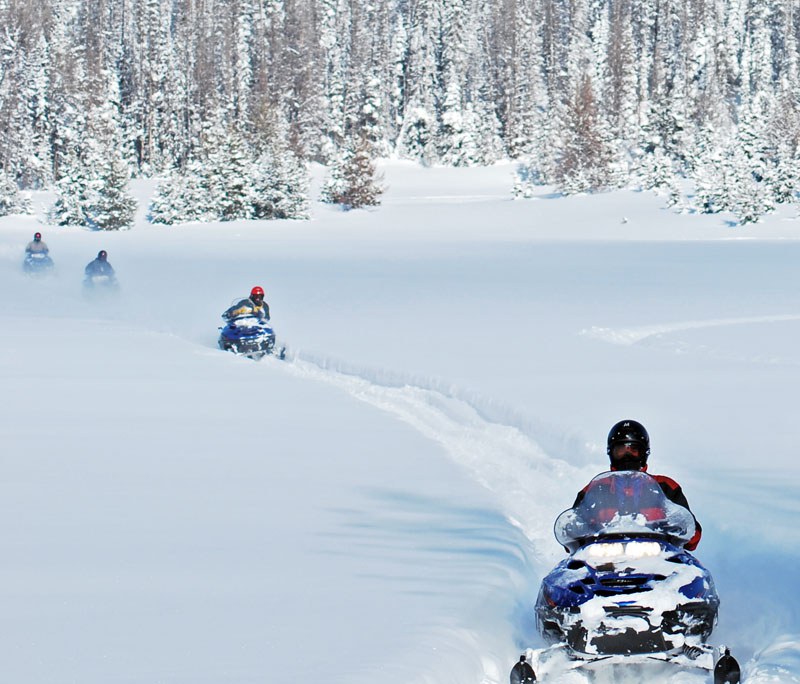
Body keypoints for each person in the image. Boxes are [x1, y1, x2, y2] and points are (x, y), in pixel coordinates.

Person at [572, 419, 702, 550]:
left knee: (693, 569)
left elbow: (693, 536)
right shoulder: (596, 489)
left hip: (658, 557)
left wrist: (678, 527)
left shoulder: (665, 487)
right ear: (612, 453)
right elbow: (571, 533)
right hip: (603, 558)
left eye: (633, 450)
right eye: (621, 451)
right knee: (568, 569)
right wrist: (576, 528)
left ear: (643, 453)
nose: (627, 456)